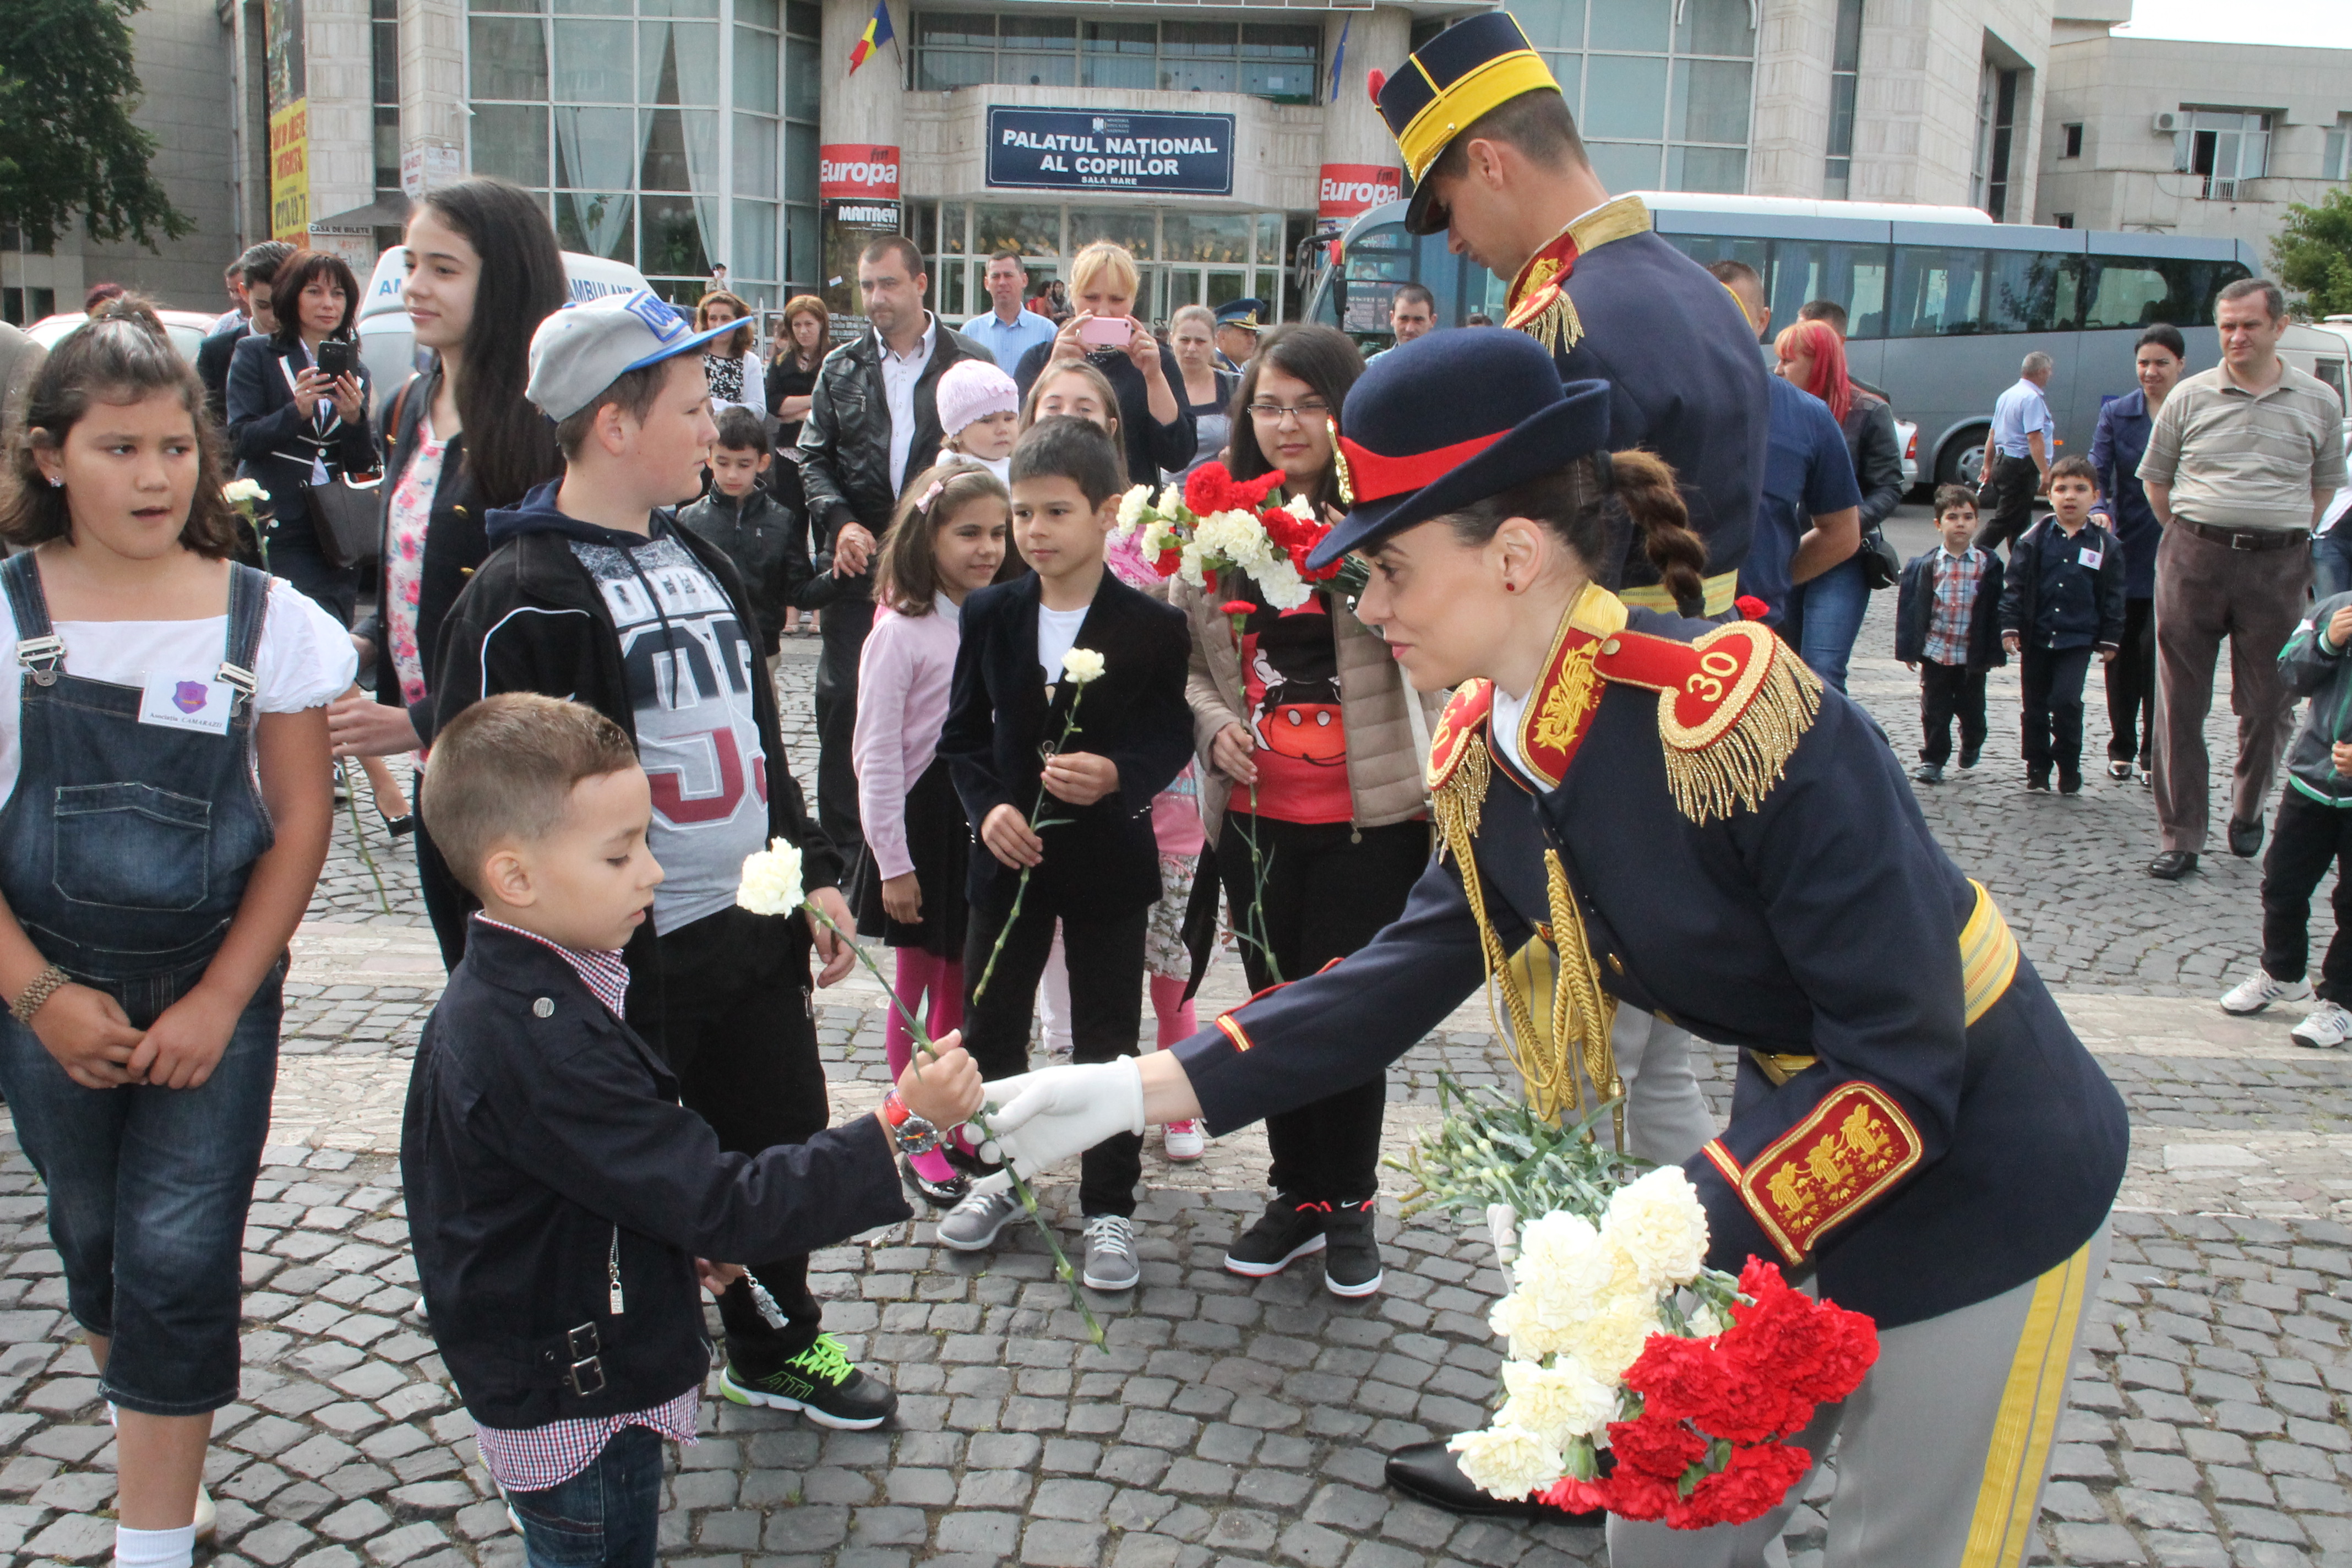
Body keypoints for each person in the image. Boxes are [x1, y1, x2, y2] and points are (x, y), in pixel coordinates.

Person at [973, 329, 2128, 1559]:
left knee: (1903, 1544)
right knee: (1665, 1526)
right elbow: (1381, 989)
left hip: (1985, 1176)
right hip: (1785, 1146)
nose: (1366, 605)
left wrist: (1645, 1248)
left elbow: (1902, 1070)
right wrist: (1124, 1088)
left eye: (1394, 569)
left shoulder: (1739, 716)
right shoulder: (1491, 751)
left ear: (1515, 555)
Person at [434, 288, 899, 1428]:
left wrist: (813, 877)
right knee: (642, 1171)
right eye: (695, 407)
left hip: (748, 930)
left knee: (777, 1127)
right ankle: (624, 1364)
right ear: (613, 424)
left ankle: (773, 1335)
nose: (717, 426)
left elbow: (751, 746)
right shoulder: (521, 594)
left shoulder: (696, 553)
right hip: (625, 958)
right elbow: (486, 830)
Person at [404, 693, 983, 1568]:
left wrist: (659, 1245)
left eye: (647, 841)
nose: (654, 873)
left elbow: (589, 1184)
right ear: (514, 876)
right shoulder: (541, 1039)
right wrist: (902, 1124)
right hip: (577, 1398)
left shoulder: (518, 995)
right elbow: (724, 1202)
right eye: (621, 853)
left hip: (558, 1358)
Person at [0, 299, 351, 1568]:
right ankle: (141, 1427)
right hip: (46, 990)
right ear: (50, 456)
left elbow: (301, 826)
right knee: (91, 1233)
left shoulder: (267, 620)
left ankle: (150, 1536)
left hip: (218, 987)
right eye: (116, 447)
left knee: (181, 1245)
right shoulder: (6, 615)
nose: (152, 475)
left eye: (173, 447)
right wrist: (41, 994)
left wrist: (218, 998)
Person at [1172, 323, 1440, 1298]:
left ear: (1346, 410)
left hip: (1372, 817)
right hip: (1256, 816)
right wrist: (1212, 729)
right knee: (1276, 1010)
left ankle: (1352, 1200)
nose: (1287, 424)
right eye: (1269, 405)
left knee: (1347, 1016)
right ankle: (1297, 1190)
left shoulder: (1390, 517)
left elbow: (1436, 645)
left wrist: (1351, 560)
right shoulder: (1212, 527)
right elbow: (1196, 672)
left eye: (1309, 404)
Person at [1366, 11, 1767, 617]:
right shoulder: (1709, 293)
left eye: (1447, 208)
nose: (1452, 240)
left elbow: (1549, 580)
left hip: (1609, 673)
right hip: (1713, 653)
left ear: (1489, 164)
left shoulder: (1558, 324)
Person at [930, 416, 1193, 1293]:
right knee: (992, 1022)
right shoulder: (993, 613)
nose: (1034, 535)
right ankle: (998, 1175)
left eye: (1054, 514)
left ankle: (1109, 1204)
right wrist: (990, 809)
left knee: (1109, 1038)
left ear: (1107, 513)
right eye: (1021, 517)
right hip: (1008, 859)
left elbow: (1169, 734)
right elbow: (963, 737)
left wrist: (1120, 772)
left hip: (1109, 865)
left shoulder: (1151, 625)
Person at [325, 178, 571, 966]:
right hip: (444, 770)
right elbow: (404, 568)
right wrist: (363, 645)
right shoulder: (413, 399)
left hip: (516, 778)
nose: (413, 287)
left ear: (504, 281)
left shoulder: (540, 421)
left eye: (444, 268)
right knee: (463, 966)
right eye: (410, 263)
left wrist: (423, 722)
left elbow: (540, 616)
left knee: (518, 978)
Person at [2144, 277, 2350, 880]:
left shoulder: (2318, 400)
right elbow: (2157, 480)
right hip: (2194, 557)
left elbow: (2325, 487)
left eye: (2249, 325)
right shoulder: (2190, 396)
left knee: (2271, 700)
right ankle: (2181, 833)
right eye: (2227, 325)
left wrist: (2279, 535)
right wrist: (2193, 535)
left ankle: (2249, 803)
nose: (2236, 336)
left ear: (2278, 327)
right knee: (2179, 702)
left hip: (2277, 565)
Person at [850, 461, 1011, 1204]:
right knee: (916, 995)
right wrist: (892, 860)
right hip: (921, 827)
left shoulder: (996, 615)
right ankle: (914, 1137)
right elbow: (875, 752)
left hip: (977, 819)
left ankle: (952, 1121)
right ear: (929, 535)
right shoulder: (902, 632)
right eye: (969, 532)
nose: (988, 548)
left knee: (961, 988)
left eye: (999, 533)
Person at [798, 236, 988, 862]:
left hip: (945, 565)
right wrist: (840, 522)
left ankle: (938, 830)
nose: (876, 298)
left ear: (921, 282)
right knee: (843, 700)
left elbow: (992, 458)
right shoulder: (840, 367)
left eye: (888, 284)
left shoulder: (969, 361)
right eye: (867, 285)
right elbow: (813, 458)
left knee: (944, 702)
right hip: (858, 567)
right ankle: (850, 850)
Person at [2214, 593, 2352, 1048]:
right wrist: (2328, 644)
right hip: (2312, 780)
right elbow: (2290, 673)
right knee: (2282, 883)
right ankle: (2283, 970)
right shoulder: (2335, 609)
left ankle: (2342, 1001)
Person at [1709, 263, 1860, 644]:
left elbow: (1841, 533)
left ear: (1762, 321)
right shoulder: (1647, 401)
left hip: (1754, 635)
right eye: (1706, 307)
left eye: (1734, 310)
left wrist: (1774, 579)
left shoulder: (1808, 418)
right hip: (1655, 634)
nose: (1718, 321)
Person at [225, 248, 376, 627]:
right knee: (285, 627)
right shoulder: (257, 354)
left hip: (338, 527)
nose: (328, 304)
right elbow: (242, 439)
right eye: (315, 292)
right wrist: (297, 411)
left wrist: (354, 420)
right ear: (292, 296)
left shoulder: (356, 369)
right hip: (279, 520)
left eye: (338, 294)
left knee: (332, 630)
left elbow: (362, 464)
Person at [1772, 317, 1895, 692]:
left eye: (1787, 361)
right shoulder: (1780, 406)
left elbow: (1889, 486)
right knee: (1780, 667)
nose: (1778, 369)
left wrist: (1847, 524)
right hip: (1786, 550)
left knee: (1823, 671)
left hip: (1842, 557)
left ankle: (1829, 748)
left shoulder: (1869, 410)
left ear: (1818, 362)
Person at [1011, 241, 1194, 489]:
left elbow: (1177, 456)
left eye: (1117, 299)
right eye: (1092, 297)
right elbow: (1017, 440)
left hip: (1132, 515)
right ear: (1073, 297)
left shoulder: (1154, 361)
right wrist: (1054, 369)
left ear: (1132, 301)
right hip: (1055, 507)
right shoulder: (1040, 358)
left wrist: (1154, 378)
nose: (1104, 310)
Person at [2088, 323, 2186, 783]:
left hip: (2178, 546)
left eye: (2161, 363)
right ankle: (2121, 744)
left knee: (2158, 653)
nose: (2151, 371)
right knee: (2121, 652)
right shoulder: (2118, 413)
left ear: (2180, 365)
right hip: (2126, 548)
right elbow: (2098, 470)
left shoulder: (2192, 410)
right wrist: (2100, 508)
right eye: (2144, 363)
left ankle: (2154, 751)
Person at [1999, 456, 2125, 796]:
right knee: (2035, 706)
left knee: (2067, 701)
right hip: (2037, 637)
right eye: (2062, 489)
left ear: (2095, 495)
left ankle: (2068, 763)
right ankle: (2037, 766)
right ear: (2049, 495)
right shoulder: (2034, 538)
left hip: (2077, 639)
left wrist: (2111, 637)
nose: (2071, 496)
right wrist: (2010, 626)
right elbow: (2016, 585)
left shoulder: (2105, 545)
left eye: (2080, 489)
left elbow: (2114, 595)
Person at [678, 407, 810, 691]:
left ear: (762, 463)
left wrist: (836, 575)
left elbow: (800, 589)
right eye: (723, 463)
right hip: (705, 643)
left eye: (743, 464)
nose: (732, 474)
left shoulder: (780, 520)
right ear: (709, 459)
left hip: (762, 645)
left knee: (764, 721)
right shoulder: (689, 519)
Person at [1896, 486, 2005, 785]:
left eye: (1968, 517)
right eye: (1952, 517)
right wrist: (1909, 649)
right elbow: (1912, 609)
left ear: (1977, 522)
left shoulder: (1988, 564)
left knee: (1973, 712)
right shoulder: (1927, 565)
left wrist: (1998, 644)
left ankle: (1972, 741)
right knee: (1935, 710)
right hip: (1937, 651)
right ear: (1938, 524)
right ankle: (1933, 759)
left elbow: (1998, 608)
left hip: (1973, 654)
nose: (1960, 523)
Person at [197, 242, 293, 418]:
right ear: (244, 293)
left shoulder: (314, 347)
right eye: (264, 306)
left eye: (285, 305)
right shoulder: (216, 352)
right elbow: (209, 424)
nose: (275, 317)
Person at [1977, 352, 2056, 559]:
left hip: (2003, 462)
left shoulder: (2008, 395)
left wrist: (1988, 464)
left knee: (2020, 524)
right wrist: (2045, 472)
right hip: (2020, 466)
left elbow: (1992, 434)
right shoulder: (2031, 399)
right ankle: (1971, 557)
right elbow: (2034, 438)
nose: (2050, 375)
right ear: (2041, 372)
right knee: (2006, 520)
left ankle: (2022, 566)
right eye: (2049, 371)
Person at [1164, 303, 1237, 481]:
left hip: (1219, 500)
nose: (1191, 348)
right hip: (1161, 501)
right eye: (1185, 340)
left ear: (1214, 342)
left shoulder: (1235, 387)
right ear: (1171, 339)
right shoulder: (1153, 385)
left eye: (1200, 341)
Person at [962, 249, 1058, 371]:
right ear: (987, 283)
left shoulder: (1047, 331)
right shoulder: (970, 332)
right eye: (996, 277)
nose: (1002, 282)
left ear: (1024, 280)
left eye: (1008, 275)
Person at [933, 358, 1019, 481]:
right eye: (988, 421)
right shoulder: (958, 482)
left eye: (1009, 419)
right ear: (957, 433)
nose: (1003, 429)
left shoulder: (1019, 468)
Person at [765, 294, 829, 453]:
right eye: (797, 325)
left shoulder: (838, 358)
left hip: (826, 447)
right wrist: (813, 403)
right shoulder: (781, 361)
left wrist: (792, 415)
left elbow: (836, 403)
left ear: (821, 324)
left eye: (809, 324)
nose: (803, 331)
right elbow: (773, 403)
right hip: (788, 446)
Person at [695, 290, 763, 417]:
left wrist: (716, 406)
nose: (718, 325)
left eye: (725, 319)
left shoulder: (750, 361)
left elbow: (758, 410)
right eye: (713, 319)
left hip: (734, 434)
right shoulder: (694, 358)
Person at [1368, 282, 1436, 359]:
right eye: (1403, 319)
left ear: (1432, 321)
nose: (1410, 329)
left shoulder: (1447, 368)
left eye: (1418, 320)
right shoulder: (1373, 366)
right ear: (1392, 318)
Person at [1213, 297, 1265, 374]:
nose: (1252, 341)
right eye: (1245, 334)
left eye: (1254, 335)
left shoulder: (1246, 372)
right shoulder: (1215, 371)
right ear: (1222, 337)